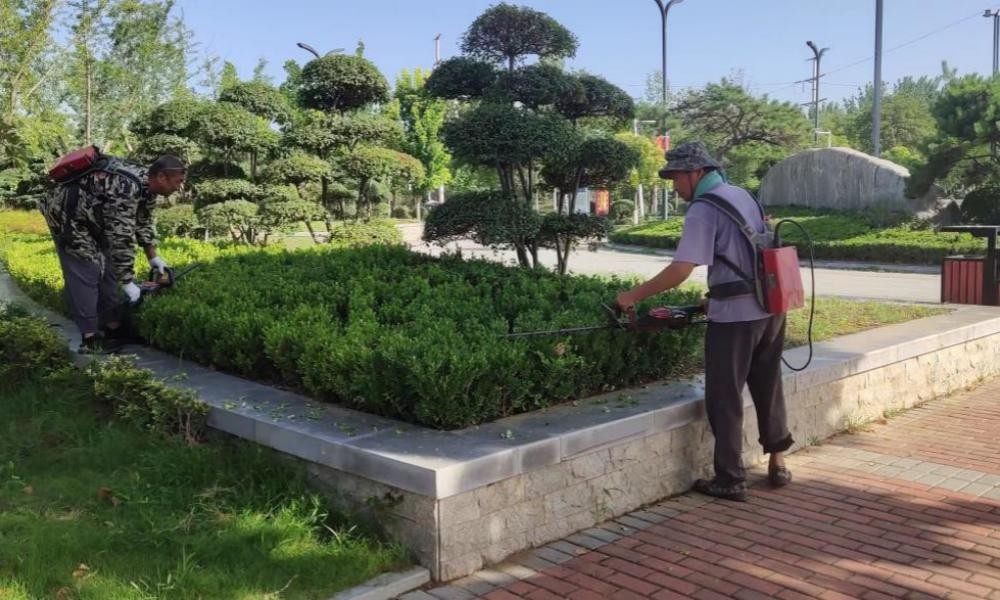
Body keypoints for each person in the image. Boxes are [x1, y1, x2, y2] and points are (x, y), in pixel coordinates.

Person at [615, 141, 793, 502]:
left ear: (697, 172)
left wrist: (632, 296)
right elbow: (749, 253)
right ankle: (778, 461)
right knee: (768, 383)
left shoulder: (703, 207)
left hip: (736, 318)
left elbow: (682, 269)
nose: (674, 185)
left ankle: (730, 479)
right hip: (771, 308)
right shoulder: (741, 194)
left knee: (724, 396)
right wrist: (717, 294)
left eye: (676, 177)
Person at [39, 153, 186, 353]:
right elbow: (121, 237)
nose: (179, 187)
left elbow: (142, 222)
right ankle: (90, 338)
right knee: (87, 270)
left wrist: (154, 258)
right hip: (67, 216)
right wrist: (127, 282)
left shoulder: (148, 187)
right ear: (161, 177)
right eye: (178, 181)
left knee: (108, 268)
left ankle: (113, 329)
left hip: (95, 216)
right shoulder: (127, 188)